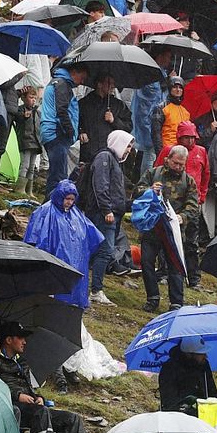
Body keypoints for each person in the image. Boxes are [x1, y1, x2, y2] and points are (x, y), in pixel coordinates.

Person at [0, 321, 88, 433]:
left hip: (32, 408)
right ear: (9, 340)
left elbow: (29, 389)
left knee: (73, 419)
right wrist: (17, 395)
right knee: (42, 412)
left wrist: (39, 398)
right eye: (20, 337)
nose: (25, 342)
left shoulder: (22, 362)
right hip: (9, 407)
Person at [136, 146, 199, 312]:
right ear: (168, 159)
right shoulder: (153, 174)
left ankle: (176, 302)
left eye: (181, 164)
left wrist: (182, 217)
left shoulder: (189, 181)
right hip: (152, 227)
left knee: (175, 266)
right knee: (146, 262)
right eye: (176, 163)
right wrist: (150, 191)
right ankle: (152, 297)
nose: (178, 167)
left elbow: (193, 205)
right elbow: (137, 191)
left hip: (174, 231)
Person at [24, 180, 103, 310]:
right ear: (60, 196)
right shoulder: (45, 211)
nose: (69, 202)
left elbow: (90, 235)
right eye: (67, 199)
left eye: (72, 200)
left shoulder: (75, 214)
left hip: (74, 261)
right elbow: (33, 236)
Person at [155, 122, 208, 286]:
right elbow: (157, 170)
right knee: (166, 239)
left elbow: (206, 174)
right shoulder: (170, 150)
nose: (190, 141)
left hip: (192, 202)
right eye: (186, 137)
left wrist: (202, 195)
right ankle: (163, 273)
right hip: (170, 202)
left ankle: (194, 278)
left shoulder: (201, 151)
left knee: (191, 242)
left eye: (192, 137)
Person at [86, 130, 135, 304]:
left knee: (98, 252)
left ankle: (90, 287)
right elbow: (101, 186)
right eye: (128, 145)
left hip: (112, 214)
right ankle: (96, 290)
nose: (129, 149)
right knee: (104, 251)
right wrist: (107, 210)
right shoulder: (105, 158)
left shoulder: (115, 162)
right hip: (103, 215)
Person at [41, 64, 90, 196]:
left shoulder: (58, 82)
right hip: (57, 134)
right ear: (74, 72)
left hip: (52, 133)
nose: (82, 82)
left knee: (56, 174)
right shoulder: (62, 84)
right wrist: (70, 132)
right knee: (58, 177)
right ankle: (51, 210)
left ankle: (50, 208)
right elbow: (61, 111)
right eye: (82, 78)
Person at [78, 73, 132, 164]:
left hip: (111, 155)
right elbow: (75, 122)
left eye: (113, 83)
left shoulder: (119, 105)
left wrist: (114, 121)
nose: (113, 86)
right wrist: (80, 132)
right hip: (88, 154)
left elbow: (128, 127)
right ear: (99, 84)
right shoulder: (84, 103)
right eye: (109, 83)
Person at [152, 76, 192, 150]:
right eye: (175, 87)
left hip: (181, 150)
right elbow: (156, 133)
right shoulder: (161, 108)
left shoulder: (185, 112)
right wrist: (160, 152)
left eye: (180, 88)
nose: (178, 90)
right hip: (167, 148)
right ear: (170, 89)